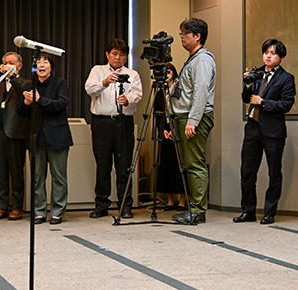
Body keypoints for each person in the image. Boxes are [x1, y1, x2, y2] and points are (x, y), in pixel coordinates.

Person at [233, 39, 296, 225]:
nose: (268, 56)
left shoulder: (287, 78)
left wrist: (263, 102)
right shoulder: (257, 74)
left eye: (273, 53)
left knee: (274, 173)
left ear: (281, 57)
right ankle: (248, 211)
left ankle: (269, 212)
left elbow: (286, 104)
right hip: (253, 129)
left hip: (273, 132)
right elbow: (246, 98)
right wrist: (247, 84)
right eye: (266, 52)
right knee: (247, 172)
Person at [84, 39, 143, 219]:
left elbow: (137, 94)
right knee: (103, 166)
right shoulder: (97, 70)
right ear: (107, 55)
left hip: (123, 123)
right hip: (101, 123)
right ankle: (101, 205)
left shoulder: (132, 74)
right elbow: (89, 89)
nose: (118, 57)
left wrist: (128, 100)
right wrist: (105, 82)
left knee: (124, 166)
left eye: (122, 54)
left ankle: (125, 206)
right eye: (114, 54)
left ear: (126, 57)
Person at [16, 53, 73, 225]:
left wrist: (40, 100)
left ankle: (57, 212)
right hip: (36, 136)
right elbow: (20, 111)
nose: (41, 65)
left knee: (59, 177)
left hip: (57, 136)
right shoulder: (29, 85)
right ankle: (39, 211)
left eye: (45, 61)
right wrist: (26, 103)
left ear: (51, 66)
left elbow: (61, 104)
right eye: (38, 62)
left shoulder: (59, 83)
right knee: (37, 177)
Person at [170, 18, 216, 225]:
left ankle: (198, 211)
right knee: (189, 163)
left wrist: (193, 121)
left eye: (184, 33)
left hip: (193, 117)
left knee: (195, 163)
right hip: (185, 116)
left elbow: (201, 93)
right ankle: (194, 208)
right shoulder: (192, 59)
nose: (181, 37)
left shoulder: (203, 60)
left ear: (197, 36)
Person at [0, 52, 30, 220]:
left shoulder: (24, 82)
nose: (6, 65)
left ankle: (16, 207)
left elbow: (24, 92)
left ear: (19, 66)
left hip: (15, 131)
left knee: (16, 171)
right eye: (4, 63)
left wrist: (13, 76)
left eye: (10, 63)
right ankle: (2, 206)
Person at [156, 63, 186, 211]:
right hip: (166, 128)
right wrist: (162, 130)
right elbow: (157, 111)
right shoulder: (159, 89)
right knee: (166, 164)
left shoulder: (180, 87)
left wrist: (177, 129)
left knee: (180, 164)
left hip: (179, 127)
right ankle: (169, 201)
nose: (167, 73)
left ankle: (182, 201)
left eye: (169, 71)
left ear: (174, 72)